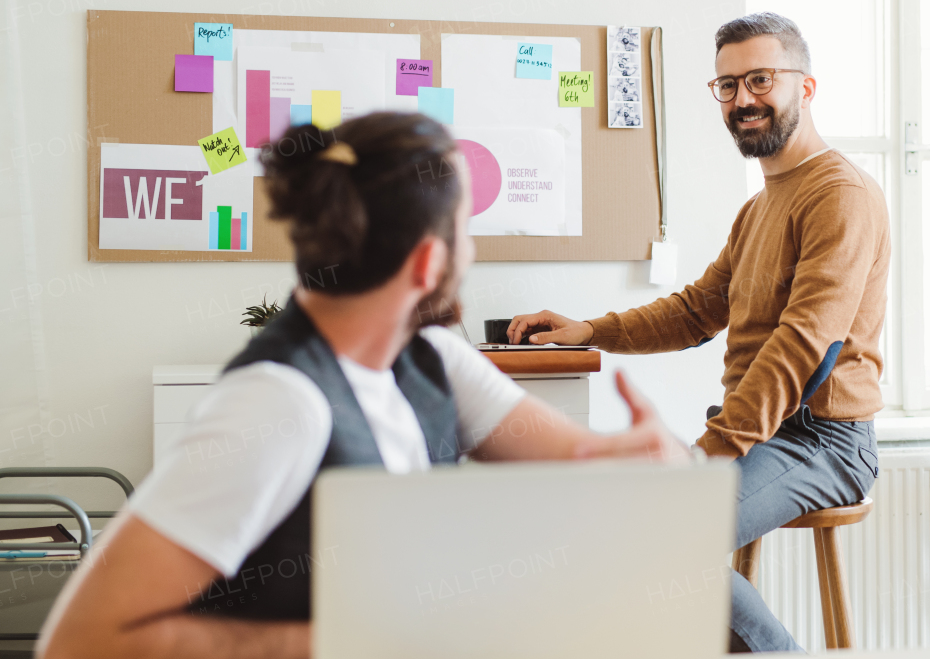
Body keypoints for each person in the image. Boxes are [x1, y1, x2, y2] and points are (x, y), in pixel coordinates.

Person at [38, 113, 689, 659]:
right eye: (467, 232)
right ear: (429, 261)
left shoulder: (427, 358)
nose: (474, 253)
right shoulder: (277, 402)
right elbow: (81, 640)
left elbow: (578, 458)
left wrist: (642, 452)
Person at [509, 12, 891, 652]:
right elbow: (696, 311)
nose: (743, 99)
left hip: (823, 441)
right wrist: (588, 330)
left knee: (663, 538)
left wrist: (707, 454)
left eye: (761, 79)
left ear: (807, 86)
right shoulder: (760, 206)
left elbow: (804, 344)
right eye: (728, 85)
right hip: (763, 432)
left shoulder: (840, 194)